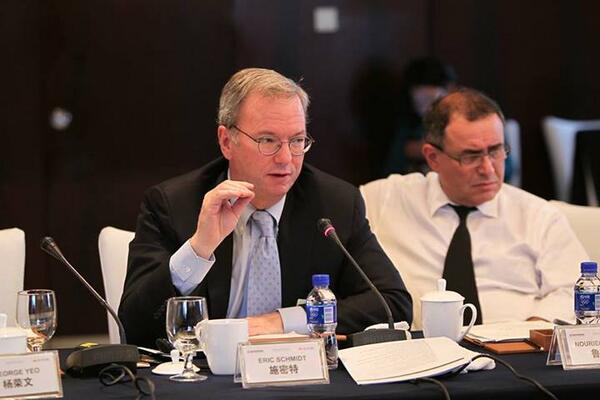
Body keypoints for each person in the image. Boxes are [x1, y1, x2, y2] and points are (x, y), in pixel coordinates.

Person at [119, 68, 413, 347]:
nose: (286, 158)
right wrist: (199, 249)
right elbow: (134, 326)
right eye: (267, 140)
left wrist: (282, 321)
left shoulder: (335, 203)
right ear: (226, 141)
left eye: (297, 140)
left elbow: (393, 303)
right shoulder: (174, 204)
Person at [361, 88, 587, 329]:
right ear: (433, 157)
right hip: (417, 347)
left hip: (516, 343)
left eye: (496, 151)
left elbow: (577, 290)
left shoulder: (538, 216)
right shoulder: (384, 199)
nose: (488, 169)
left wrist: (532, 329)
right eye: (471, 156)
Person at [383, 57, 457, 176]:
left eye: (432, 99)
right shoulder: (407, 126)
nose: (427, 107)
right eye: (421, 100)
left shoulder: (459, 120)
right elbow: (393, 168)